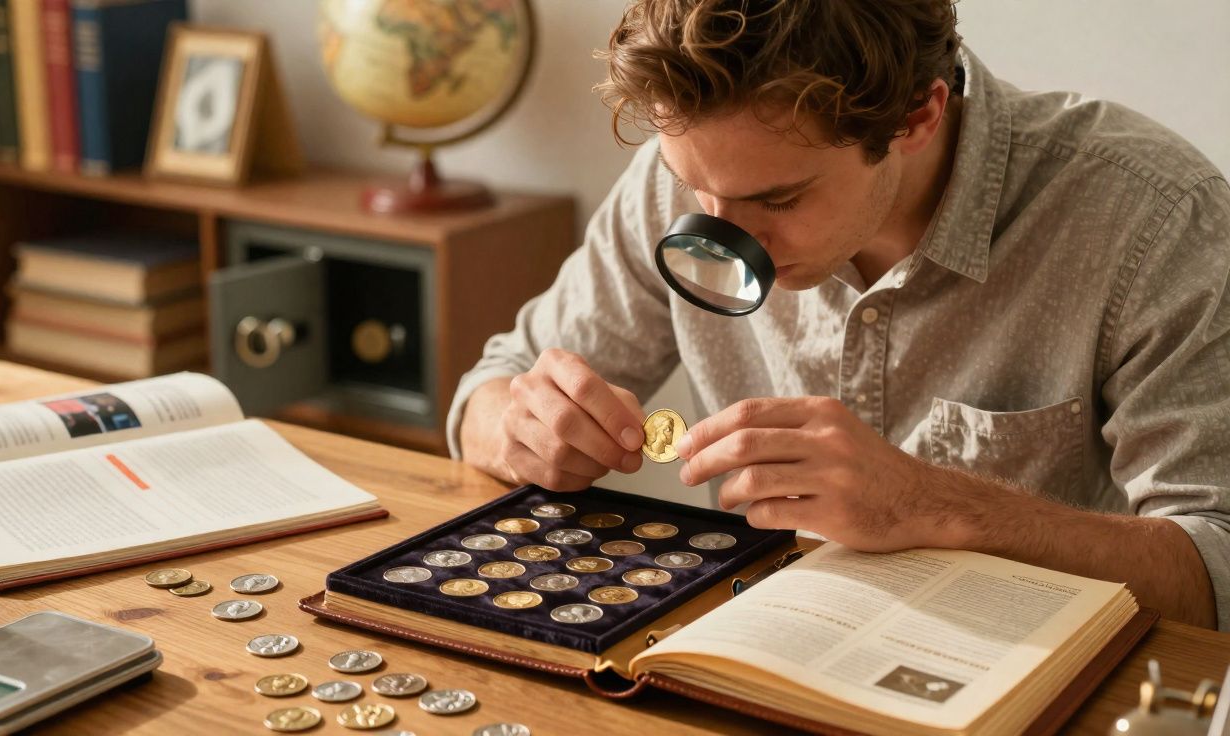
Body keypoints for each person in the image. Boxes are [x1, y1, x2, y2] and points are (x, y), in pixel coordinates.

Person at [447, 0, 1230, 629]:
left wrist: (930, 503)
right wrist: (524, 430)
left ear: (919, 116)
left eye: (780, 200)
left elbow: (1216, 566)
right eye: (698, 192)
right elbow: (491, 389)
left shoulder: (1152, 218)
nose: (727, 238)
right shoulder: (685, 178)